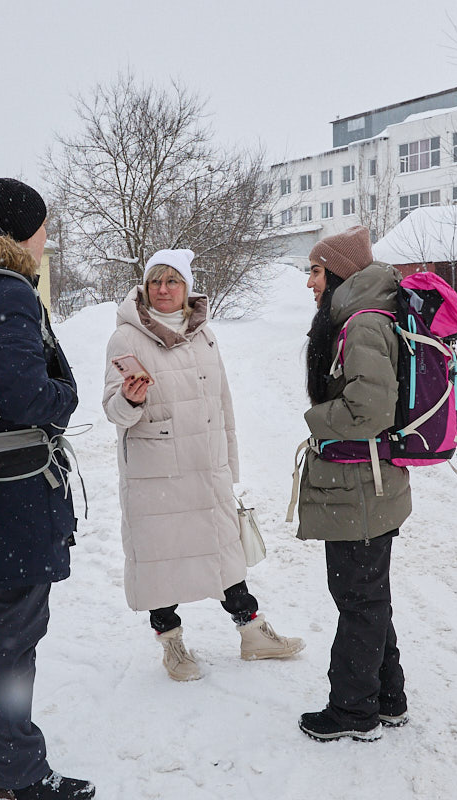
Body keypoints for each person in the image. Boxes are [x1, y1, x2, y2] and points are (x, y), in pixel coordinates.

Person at [0, 178, 94, 799]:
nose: (45, 240)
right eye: (42, 228)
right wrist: (68, 396)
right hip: (14, 485)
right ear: (21, 229)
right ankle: (21, 774)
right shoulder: (6, 291)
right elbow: (26, 396)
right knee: (16, 630)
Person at [103, 248, 304, 682]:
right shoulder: (127, 338)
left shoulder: (205, 335)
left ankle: (252, 633)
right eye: (155, 281)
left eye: (172, 281)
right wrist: (130, 400)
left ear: (187, 287)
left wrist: (228, 464)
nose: (162, 289)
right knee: (160, 559)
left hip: (206, 466)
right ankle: (172, 643)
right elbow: (114, 412)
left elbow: (222, 403)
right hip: (155, 473)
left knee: (222, 552)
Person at [294, 225, 412, 743]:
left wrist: (316, 420)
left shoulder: (362, 324)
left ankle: (353, 711)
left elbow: (370, 408)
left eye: (316, 271)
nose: (311, 283)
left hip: (360, 485)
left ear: (340, 274)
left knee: (358, 599)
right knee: (368, 595)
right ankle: (387, 699)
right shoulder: (362, 316)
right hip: (366, 483)